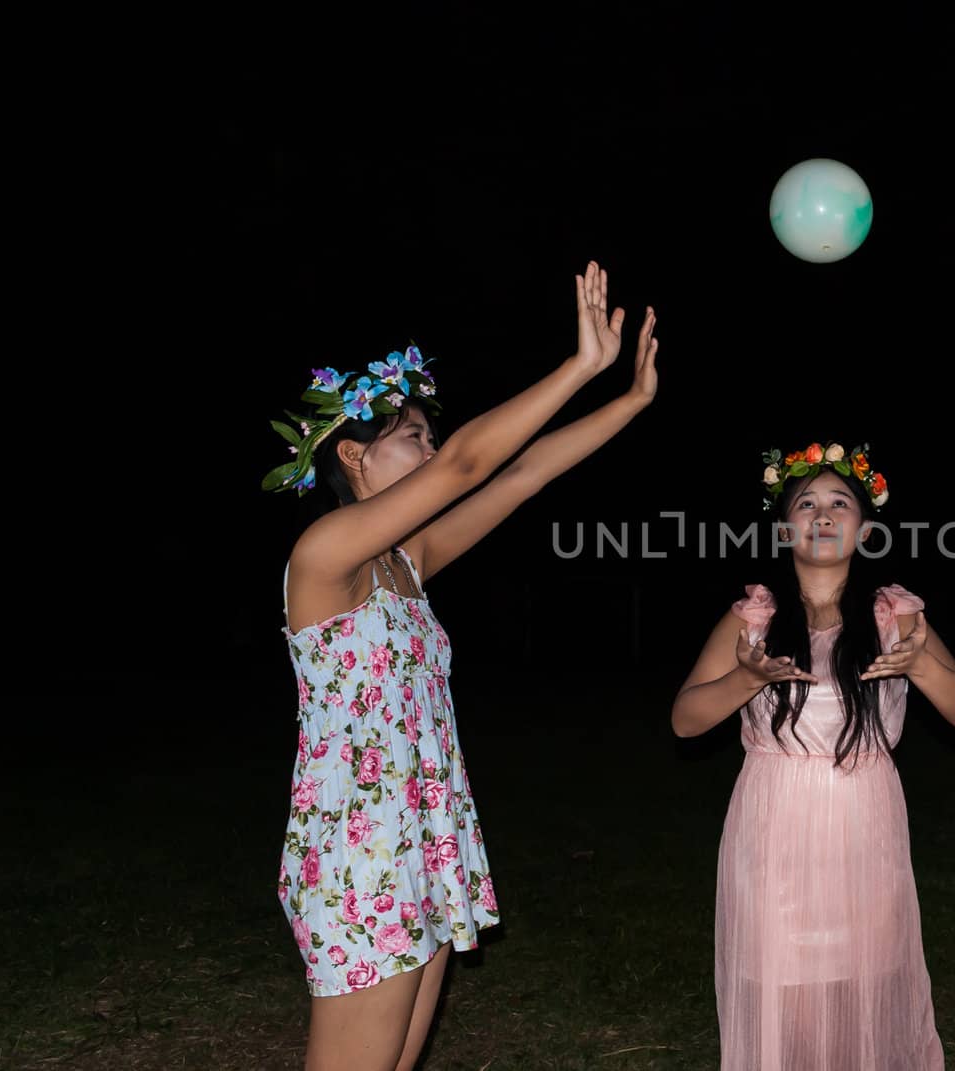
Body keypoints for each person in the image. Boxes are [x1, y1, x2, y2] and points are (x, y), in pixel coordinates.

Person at [269, 262, 659, 1071]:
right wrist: (579, 366)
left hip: (422, 831)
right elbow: (469, 466)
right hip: (359, 852)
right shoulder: (322, 560)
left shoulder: (406, 561)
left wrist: (625, 400)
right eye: (413, 435)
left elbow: (521, 475)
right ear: (355, 454)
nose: (433, 448)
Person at [671, 443, 955, 1069]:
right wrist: (746, 680)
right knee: (782, 991)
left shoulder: (894, 615)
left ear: (864, 529)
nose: (821, 514)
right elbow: (685, 721)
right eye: (806, 503)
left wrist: (920, 662)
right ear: (784, 525)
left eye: (839, 503)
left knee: (862, 988)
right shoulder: (753, 618)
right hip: (774, 829)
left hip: (863, 828)